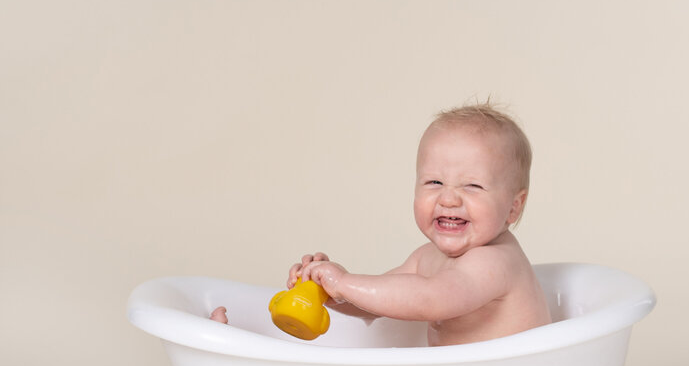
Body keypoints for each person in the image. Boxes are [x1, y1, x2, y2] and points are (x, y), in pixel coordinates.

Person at [211, 103, 551, 346]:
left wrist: (345, 283)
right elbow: (380, 304)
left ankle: (238, 358)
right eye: (434, 183)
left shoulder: (495, 261)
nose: (448, 199)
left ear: (513, 208)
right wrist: (331, 293)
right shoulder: (425, 258)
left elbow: (430, 299)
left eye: (471, 186)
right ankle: (241, 350)